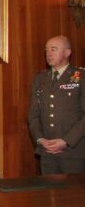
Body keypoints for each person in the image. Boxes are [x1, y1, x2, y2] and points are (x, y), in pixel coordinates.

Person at [28, 35, 85, 174]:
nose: (48, 53)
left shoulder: (81, 77)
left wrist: (67, 141)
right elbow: (33, 114)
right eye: (46, 50)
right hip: (47, 151)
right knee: (48, 187)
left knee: (73, 188)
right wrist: (40, 139)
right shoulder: (40, 78)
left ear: (67, 52)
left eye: (53, 49)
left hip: (74, 151)